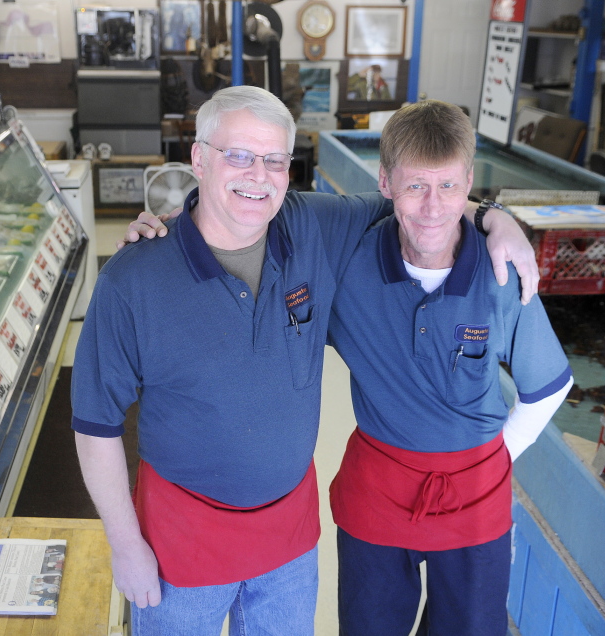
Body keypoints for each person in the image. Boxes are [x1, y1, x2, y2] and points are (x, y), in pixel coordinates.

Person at [72, 86, 537, 635]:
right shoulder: (133, 278)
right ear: (198, 159)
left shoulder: (312, 226)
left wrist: (497, 217)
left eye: (274, 160)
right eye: (238, 155)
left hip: (289, 547)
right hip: (178, 545)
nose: (258, 175)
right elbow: (95, 427)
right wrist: (125, 546)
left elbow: (425, 201)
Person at [327, 100, 572, 635]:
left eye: (449, 187)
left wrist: (494, 454)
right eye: (415, 186)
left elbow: (551, 384)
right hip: (377, 492)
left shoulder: (502, 271)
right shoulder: (348, 264)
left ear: (469, 184)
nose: (433, 207)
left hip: (476, 500)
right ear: (385, 181)